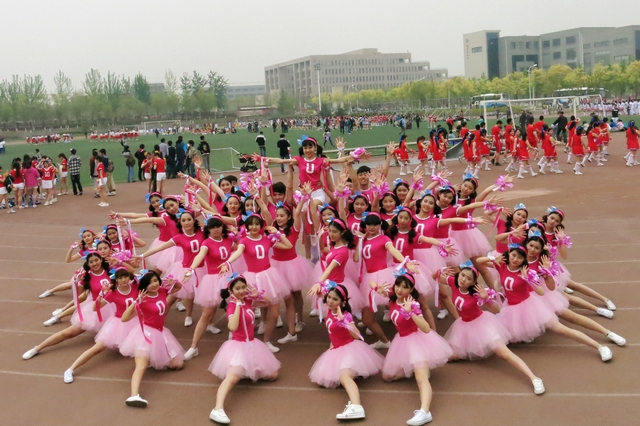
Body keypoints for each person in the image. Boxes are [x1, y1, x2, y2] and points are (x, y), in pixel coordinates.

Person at [372, 273, 452, 425]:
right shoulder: (393, 296)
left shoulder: (413, 304)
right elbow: (371, 283)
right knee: (387, 377)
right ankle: (417, 368)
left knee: (421, 379)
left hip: (417, 340)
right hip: (401, 341)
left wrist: (410, 312)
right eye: (398, 285)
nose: (400, 289)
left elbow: (426, 328)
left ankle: (425, 411)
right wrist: (377, 288)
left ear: (411, 290)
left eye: (404, 287)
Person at [208, 275, 280, 424]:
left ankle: (245, 370)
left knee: (273, 375)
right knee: (233, 378)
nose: (241, 291)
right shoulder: (231, 306)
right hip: (238, 346)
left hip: (252, 344)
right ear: (231, 291)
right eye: (237, 288)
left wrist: (257, 295)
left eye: (243, 287)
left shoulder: (247, 300)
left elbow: (267, 302)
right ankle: (217, 408)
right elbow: (233, 327)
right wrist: (238, 306)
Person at [308, 283, 384, 421]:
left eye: (335, 299)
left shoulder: (345, 315)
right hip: (336, 349)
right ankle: (354, 373)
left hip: (349, 349)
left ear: (343, 302)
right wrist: (319, 287)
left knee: (344, 377)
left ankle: (356, 406)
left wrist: (344, 321)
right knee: (324, 380)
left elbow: (357, 335)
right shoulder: (330, 309)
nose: (330, 301)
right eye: (329, 297)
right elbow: (323, 292)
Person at [22, 252, 116, 360]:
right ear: (88, 264)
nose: (94, 263)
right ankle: (37, 348)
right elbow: (80, 295)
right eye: (91, 262)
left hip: (115, 306)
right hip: (96, 309)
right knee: (69, 332)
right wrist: (79, 282)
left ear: (101, 260)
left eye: (96, 260)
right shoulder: (87, 276)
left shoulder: (111, 271)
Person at [119, 271, 185, 408]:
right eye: (150, 283)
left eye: (155, 280)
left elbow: (178, 288)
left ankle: (152, 358)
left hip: (161, 333)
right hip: (146, 335)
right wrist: (136, 302)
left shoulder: (162, 291)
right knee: (141, 366)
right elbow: (124, 318)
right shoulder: (142, 300)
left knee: (178, 364)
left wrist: (174, 282)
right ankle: (133, 395)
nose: (154, 284)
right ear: (144, 286)